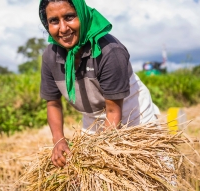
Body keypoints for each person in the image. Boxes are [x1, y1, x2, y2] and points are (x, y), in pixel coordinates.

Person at [39, 0, 160, 168]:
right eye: (54, 21)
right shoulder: (50, 56)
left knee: (149, 171)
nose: (63, 28)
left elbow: (113, 111)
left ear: (82, 15)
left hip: (133, 117)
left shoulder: (110, 51)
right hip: (93, 120)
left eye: (69, 17)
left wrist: (101, 153)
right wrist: (58, 140)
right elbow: (53, 103)